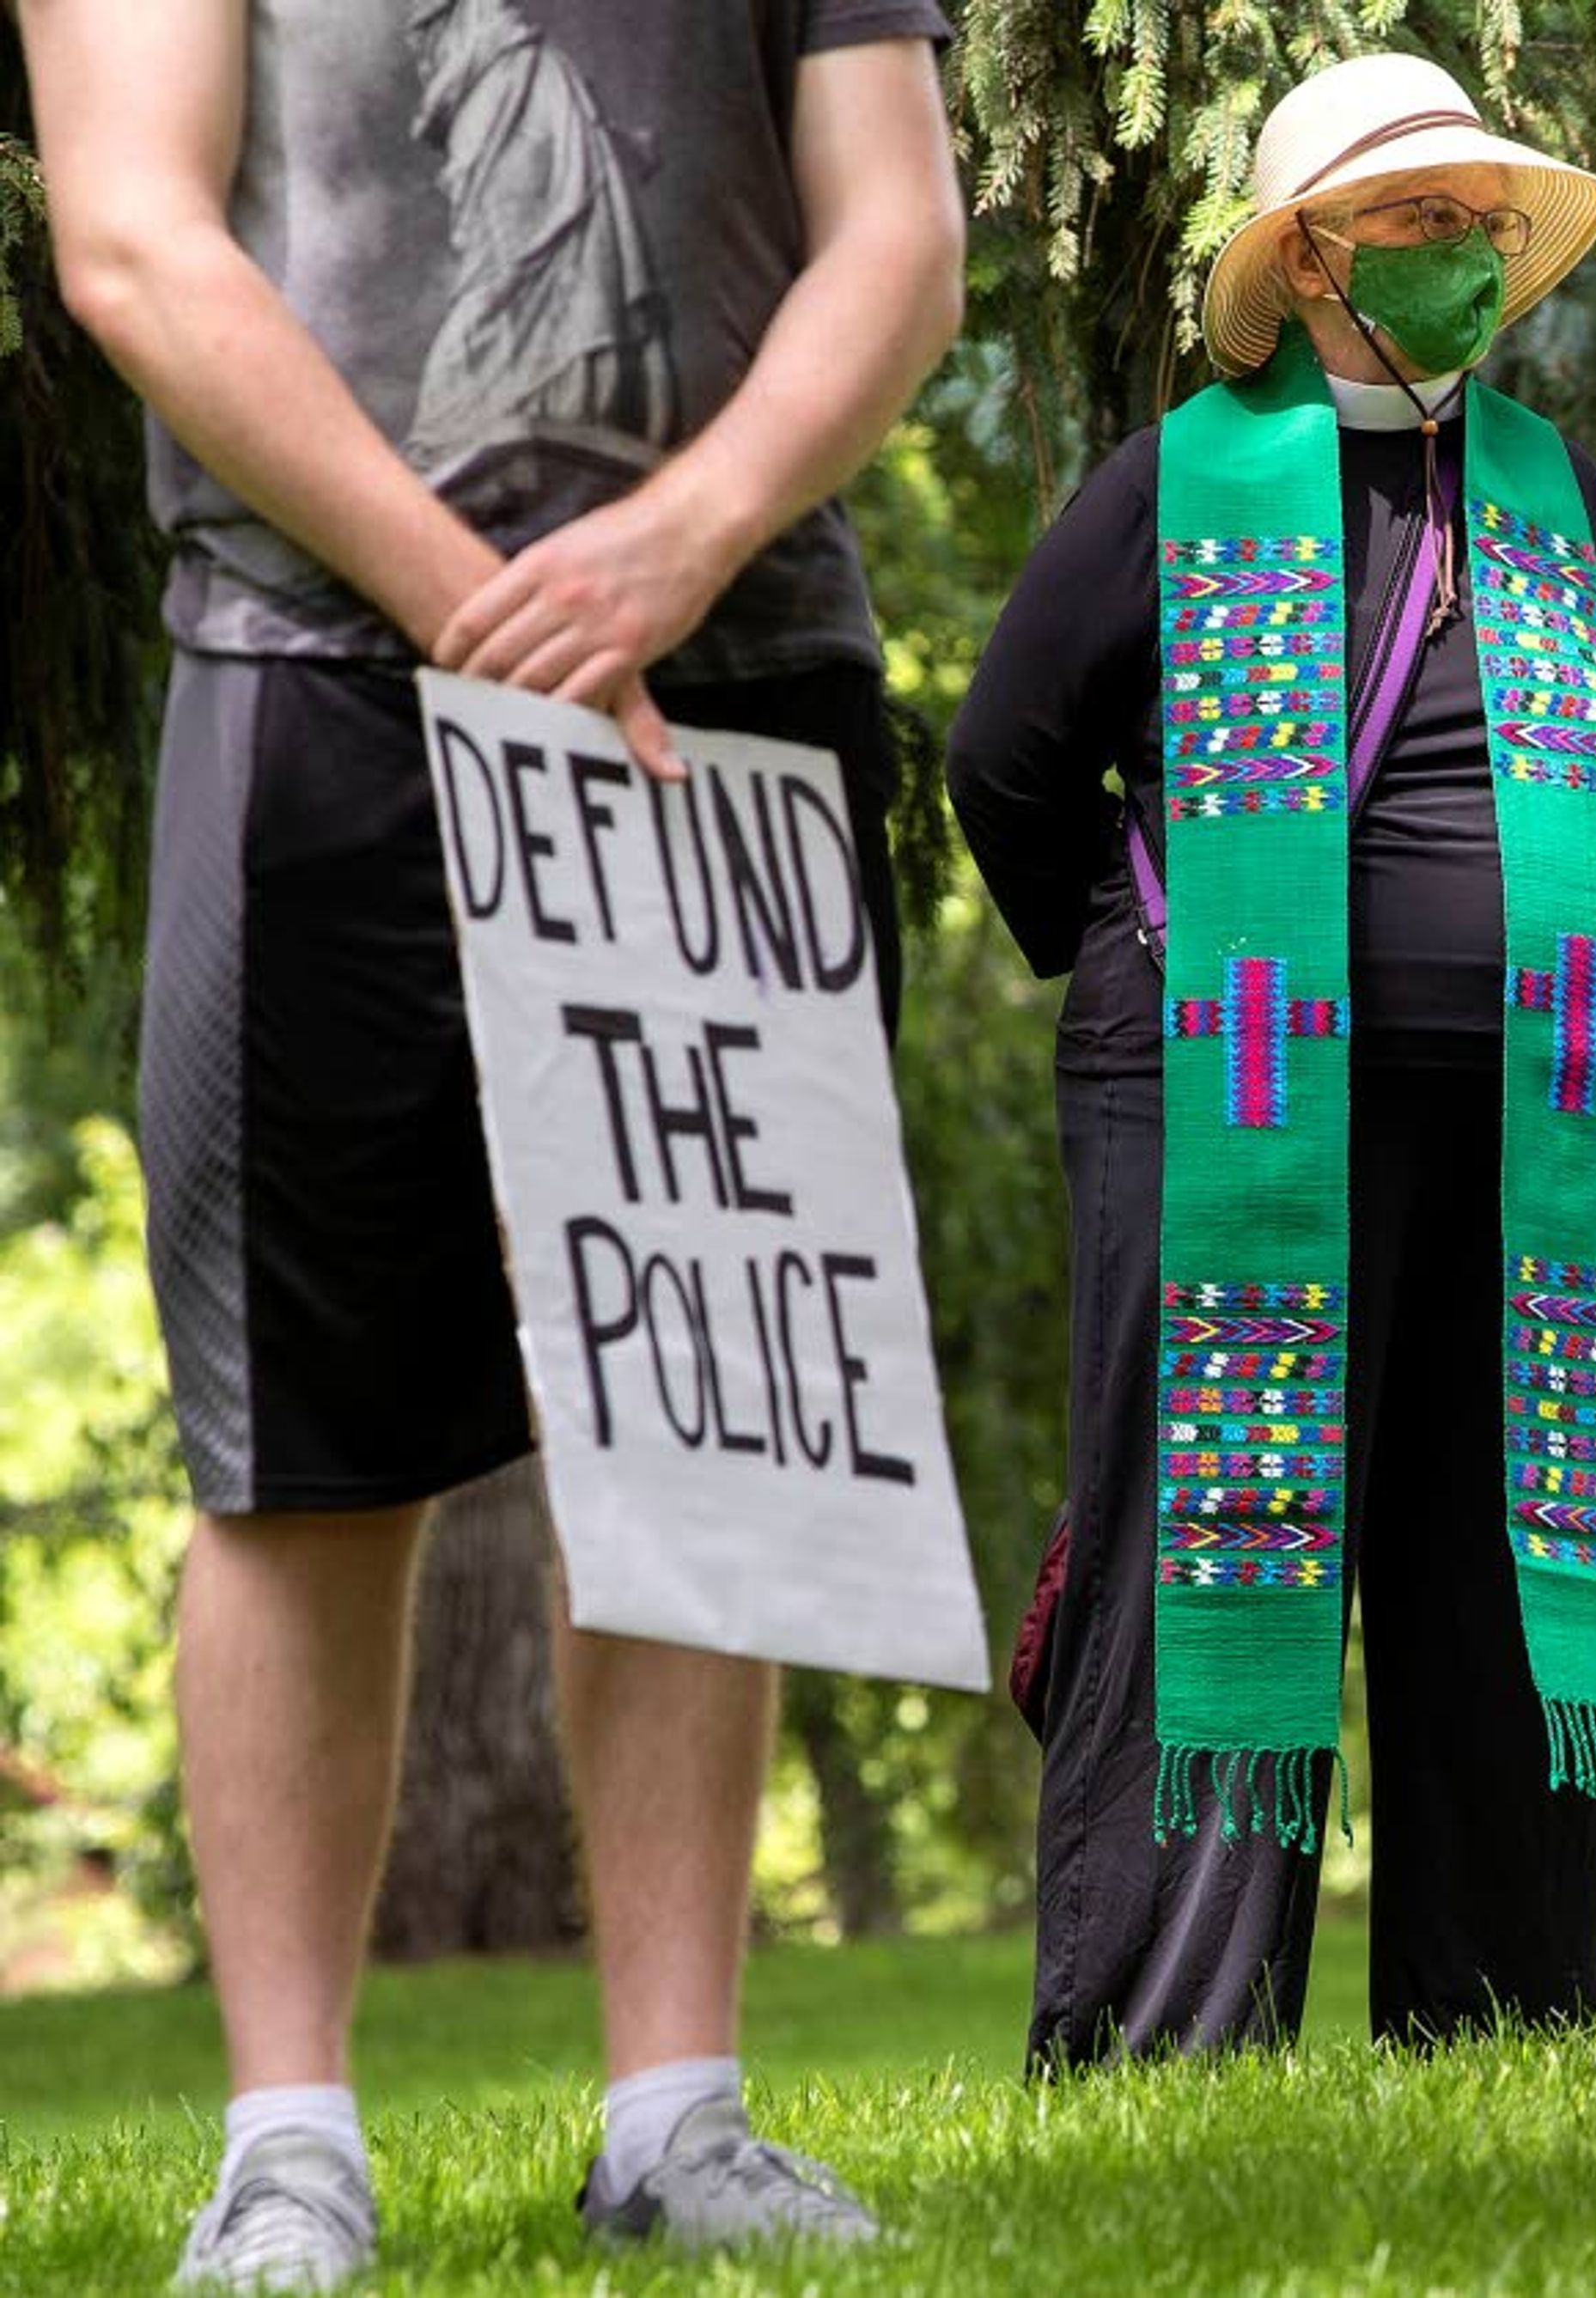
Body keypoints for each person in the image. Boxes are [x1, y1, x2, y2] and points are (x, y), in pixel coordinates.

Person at [19, 0, 964, 2282]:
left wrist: (684, 539)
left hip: (736, 692)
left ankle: (680, 2117)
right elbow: (136, 241)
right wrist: (492, 611)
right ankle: (287, 2147)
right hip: (313, 683)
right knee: (301, 1444)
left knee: (701, 1403)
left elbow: (903, 232)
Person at [947, 52, 1596, 2069]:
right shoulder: (1182, 476)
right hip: (1231, 1100)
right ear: (1313, 251)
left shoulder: (1544, 485)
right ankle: (1162, 2052)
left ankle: (1497, 2034)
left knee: (1499, 1542)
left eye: (1482, 222)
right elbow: (1002, 756)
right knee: (1213, 1543)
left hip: (1530, 1108)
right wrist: (1159, 967)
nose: (1467, 255)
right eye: (1423, 219)